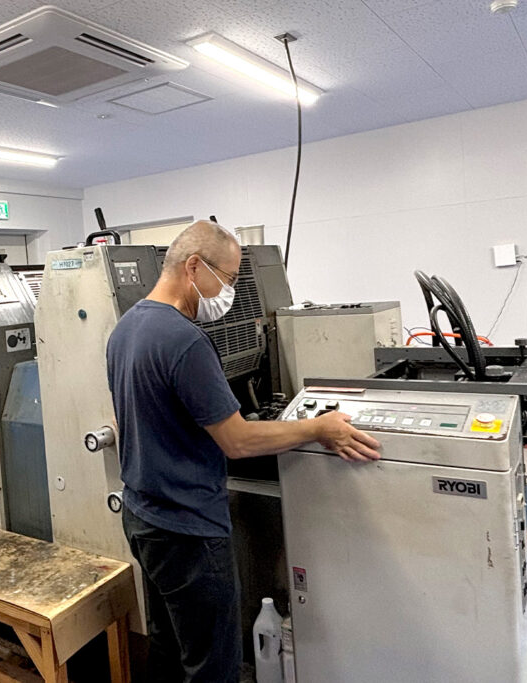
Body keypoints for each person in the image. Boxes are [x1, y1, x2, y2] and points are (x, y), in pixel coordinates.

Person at [107, 220, 381, 683]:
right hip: (188, 530)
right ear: (194, 266)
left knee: (169, 648)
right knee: (213, 662)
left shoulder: (126, 328)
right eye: (230, 279)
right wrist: (317, 427)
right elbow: (236, 441)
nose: (230, 292)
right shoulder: (185, 340)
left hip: (142, 518)